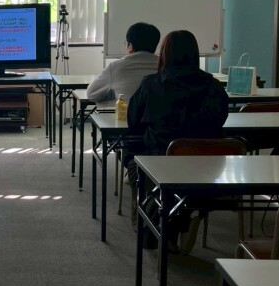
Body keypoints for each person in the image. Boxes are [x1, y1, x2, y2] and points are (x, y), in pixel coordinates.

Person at [126, 30, 229, 253]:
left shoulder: (151, 85)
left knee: (134, 164)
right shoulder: (213, 87)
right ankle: (184, 215)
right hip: (208, 169)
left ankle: (153, 221)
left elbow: (133, 121)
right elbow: (221, 119)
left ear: (165, 54)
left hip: (161, 166)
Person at [86, 22, 160, 102]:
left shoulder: (115, 67)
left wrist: (115, 93)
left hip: (127, 110)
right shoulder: (165, 64)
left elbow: (91, 94)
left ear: (130, 46)